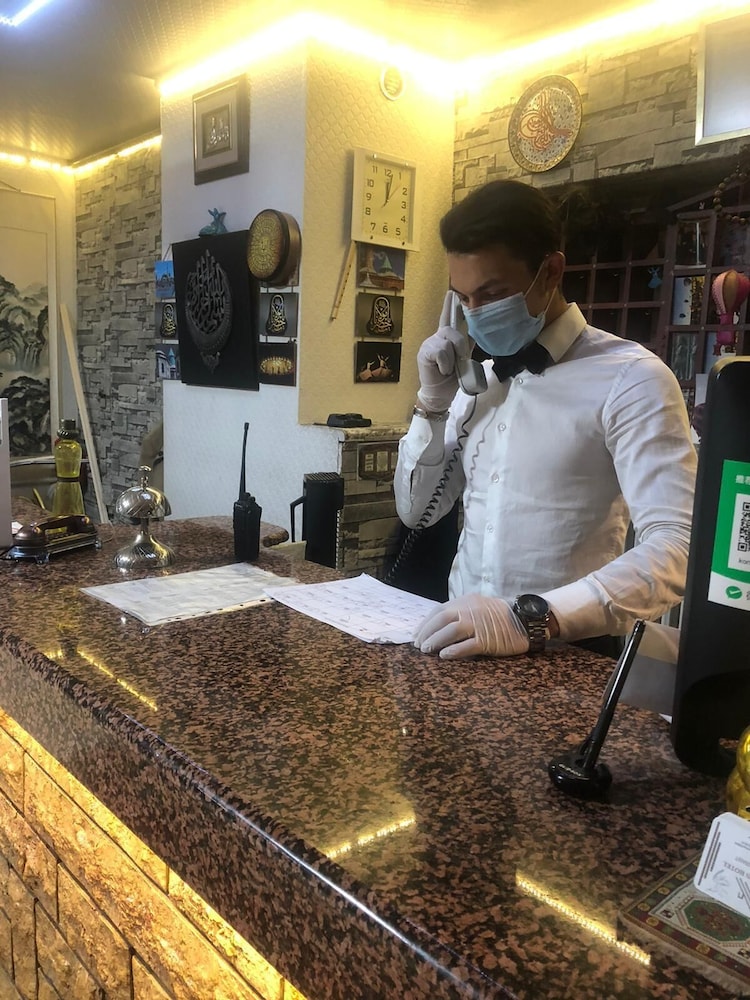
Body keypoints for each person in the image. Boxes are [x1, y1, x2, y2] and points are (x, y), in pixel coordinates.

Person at [393, 179, 697, 660]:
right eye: (463, 299)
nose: (475, 314)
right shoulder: (477, 384)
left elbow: (678, 546)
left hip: (568, 651)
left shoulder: (632, 378)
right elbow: (417, 512)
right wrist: (432, 403)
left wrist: (531, 616)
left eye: (492, 293)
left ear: (551, 271)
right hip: (460, 642)